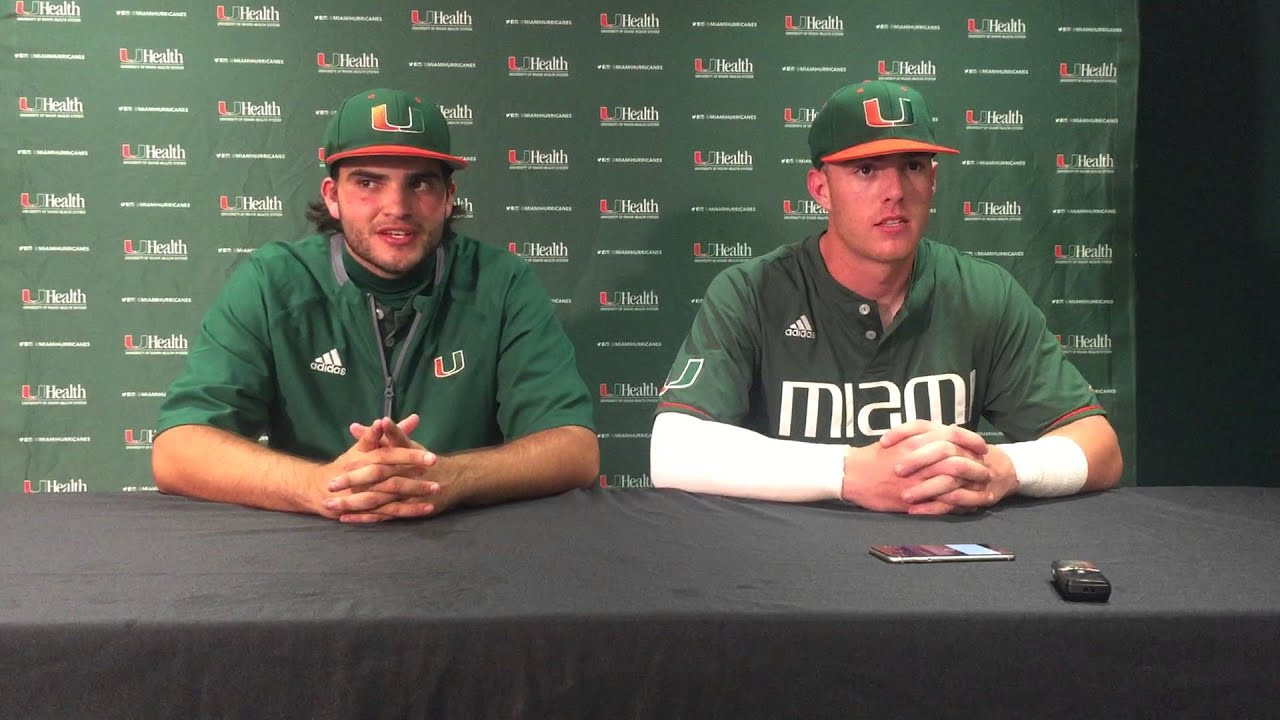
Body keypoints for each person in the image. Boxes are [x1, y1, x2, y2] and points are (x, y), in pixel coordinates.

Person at [650, 80, 1121, 514]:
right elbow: (672, 452)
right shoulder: (753, 291)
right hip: (786, 571)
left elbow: (1100, 447)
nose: (894, 191)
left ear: (933, 180)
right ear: (821, 188)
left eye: (913, 166)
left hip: (941, 567)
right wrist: (850, 475)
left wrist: (1006, 469)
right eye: (866, 169)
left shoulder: (982, 291)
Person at [153, 87, 598, 522]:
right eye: (368, 182)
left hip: (465, 551)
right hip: (305, 552)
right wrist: (321, 486)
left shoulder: (500, 282)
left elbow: (574, 449)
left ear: (448, 197)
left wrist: (448, 478)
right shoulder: (272, 281)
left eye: (420, 183)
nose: (397, 206)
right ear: (332, 195)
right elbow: (178, 450)